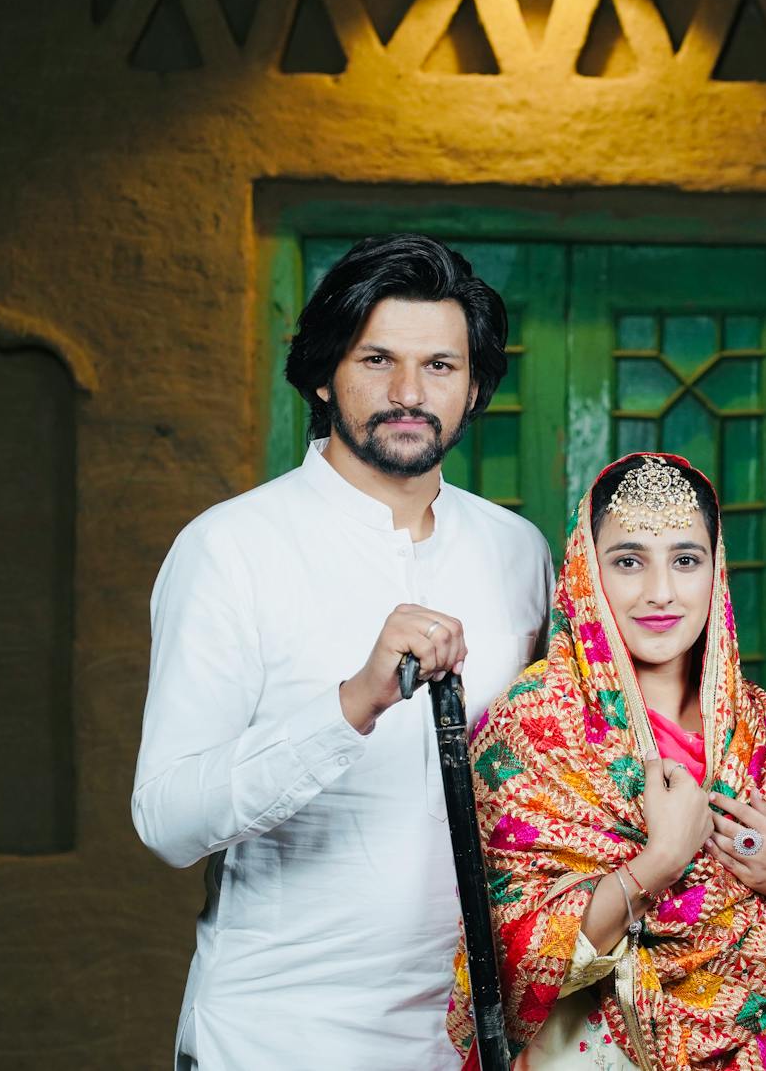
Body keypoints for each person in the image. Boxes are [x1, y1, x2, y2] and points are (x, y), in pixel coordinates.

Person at [131, 234, 556, 1069]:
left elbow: (569, 764)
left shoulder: (518, 552)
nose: (408, 392)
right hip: (277, 1034)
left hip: (473, 1038)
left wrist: (751, 778)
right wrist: (353, 700)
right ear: (325, 375)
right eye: (377, 360)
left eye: (440, 365)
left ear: (474, 389)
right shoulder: (232, 548)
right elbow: (169, 820)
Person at [447, 453, 766, 1070]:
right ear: (586, 571)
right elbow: (506, 960)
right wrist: (660, 861)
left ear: (717, 571)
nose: (660, 592)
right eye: (628, 561)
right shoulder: (531, 729)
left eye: (686, 560)